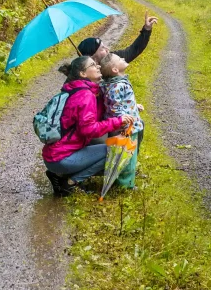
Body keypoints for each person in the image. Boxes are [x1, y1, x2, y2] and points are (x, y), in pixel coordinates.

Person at [43, 55, 135, 197]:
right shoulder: (85, 95)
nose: (98, 66)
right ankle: (70, 182)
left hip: (56, 155)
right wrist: (117, 121)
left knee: (110, 149)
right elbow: (88, 129)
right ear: (83, 74)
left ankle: (59, 174)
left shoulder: (77, 90)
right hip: (61, 158)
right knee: (117, 152)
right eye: (93, 65)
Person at [99, 53, 144, 189]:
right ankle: (125, 185)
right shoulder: (117, 86)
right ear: (115, 70)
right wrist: (123, 123)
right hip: (126, 127)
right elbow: (115, 107)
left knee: (126, 154)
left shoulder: (115, 84)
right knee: (128, 156)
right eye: (119, 59)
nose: (123, 59)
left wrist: (134, 105)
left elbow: (118, 102)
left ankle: (124, 179)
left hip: (128, 124)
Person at [77, 12, 158, 64]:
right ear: (92, 58)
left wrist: (146, 29)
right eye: (102, 49)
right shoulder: (83, 82)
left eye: (104, 46)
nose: (107, 49)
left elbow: (133, 50)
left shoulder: (112, 59)